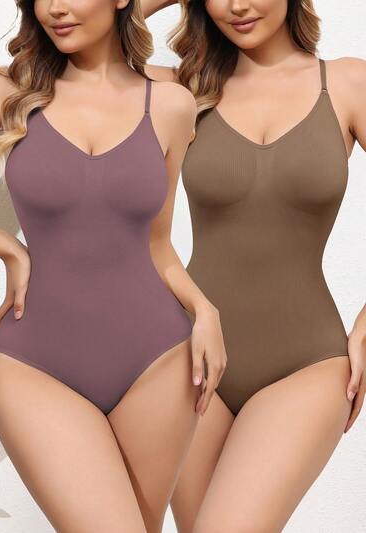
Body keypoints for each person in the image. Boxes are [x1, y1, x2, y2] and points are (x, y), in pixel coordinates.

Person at [0, 0, 227, 531]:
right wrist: (7, 247)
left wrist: (205, 309)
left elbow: (158, 245)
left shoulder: (171, 105)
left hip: (158, 362)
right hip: (35, 364)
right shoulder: (7, 91)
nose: (55, 8)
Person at [140, 0, 366, 530]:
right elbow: (76, 35)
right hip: (189, 356)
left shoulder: (348, 83)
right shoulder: (181, 91)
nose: (237, 5)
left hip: (307, 362)